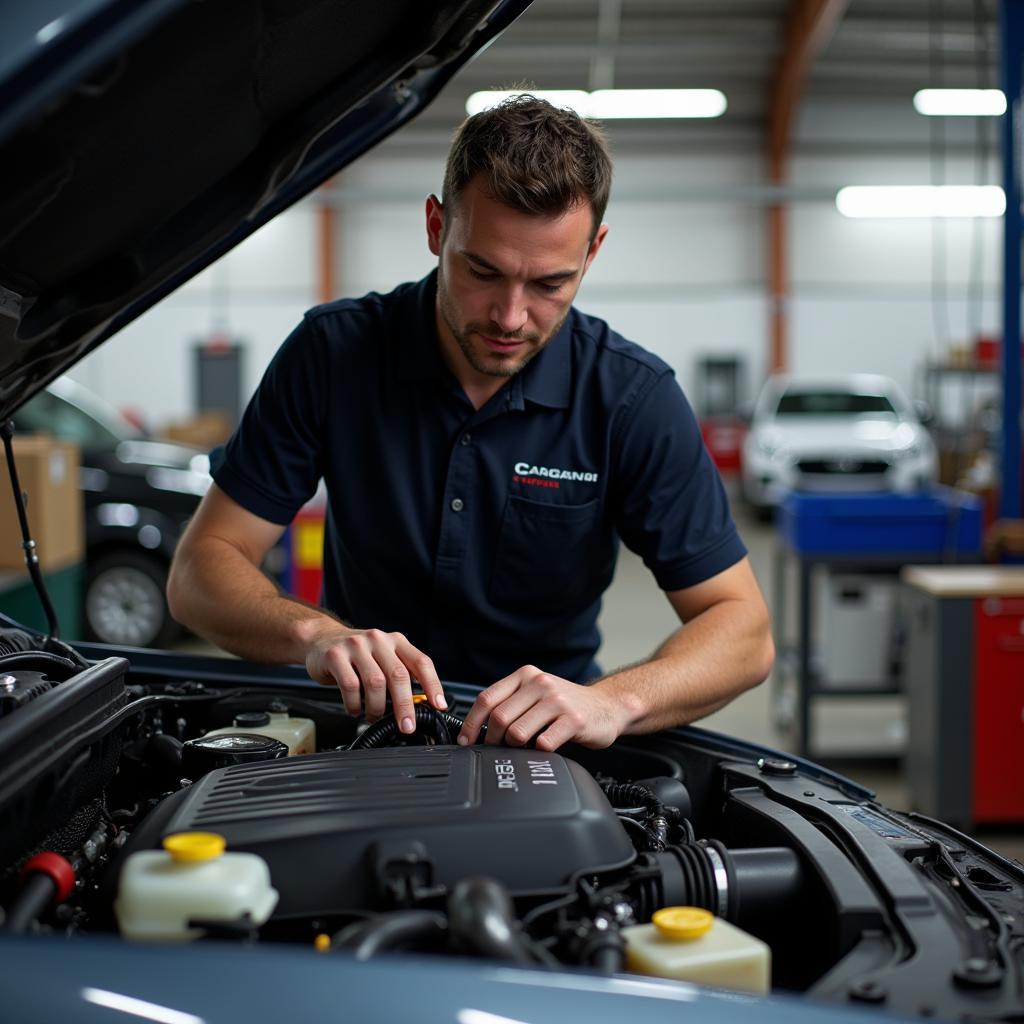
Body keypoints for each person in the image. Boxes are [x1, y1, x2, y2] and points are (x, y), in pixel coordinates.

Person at [167, 94, 774, 752]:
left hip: (546, 754)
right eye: (483, 271)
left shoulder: (631, 399)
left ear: (593, 251)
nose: (511, 317)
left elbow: (742, 627)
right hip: (365, 736)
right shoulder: (333, 354)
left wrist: (613, 702)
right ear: (436, 227)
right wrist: (317, 635)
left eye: (549, 284)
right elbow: (201, 568)